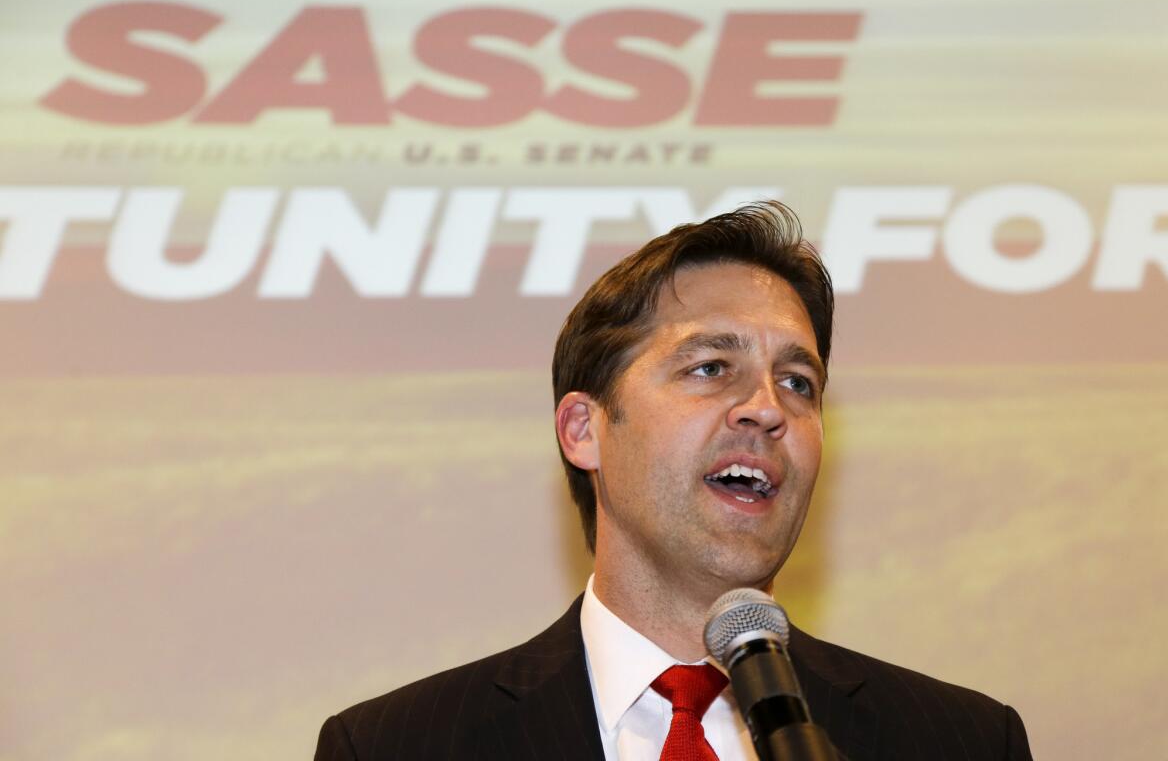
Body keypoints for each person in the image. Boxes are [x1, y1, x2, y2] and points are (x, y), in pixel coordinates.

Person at [313, 202, 1034, 760]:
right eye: (712, 368)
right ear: (584, 430)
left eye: (798, 381)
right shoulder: (395, 747)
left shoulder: (960, 742)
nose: (766, 408)